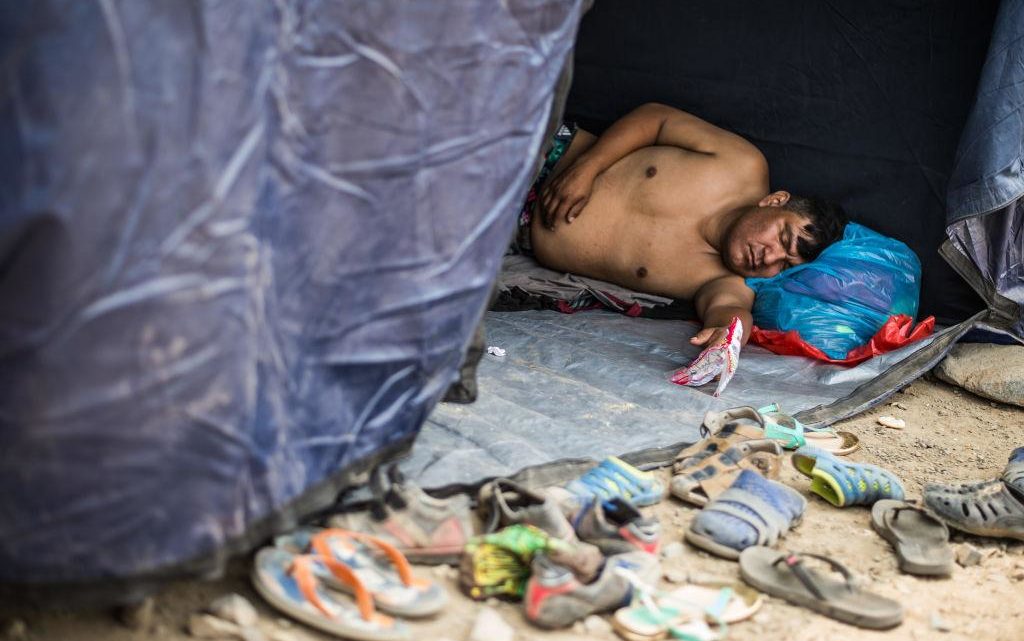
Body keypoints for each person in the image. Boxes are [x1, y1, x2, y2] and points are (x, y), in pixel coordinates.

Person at [518, 103, 847, 353]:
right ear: (775, 201)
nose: (769, 257)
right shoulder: (741, 165)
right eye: (782, 237)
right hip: (543, 150)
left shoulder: (725, 281)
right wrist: (586, 168)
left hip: (511, 234)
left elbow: (728, 312)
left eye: (783, 265)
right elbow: (655, 118)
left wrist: (728, 340)